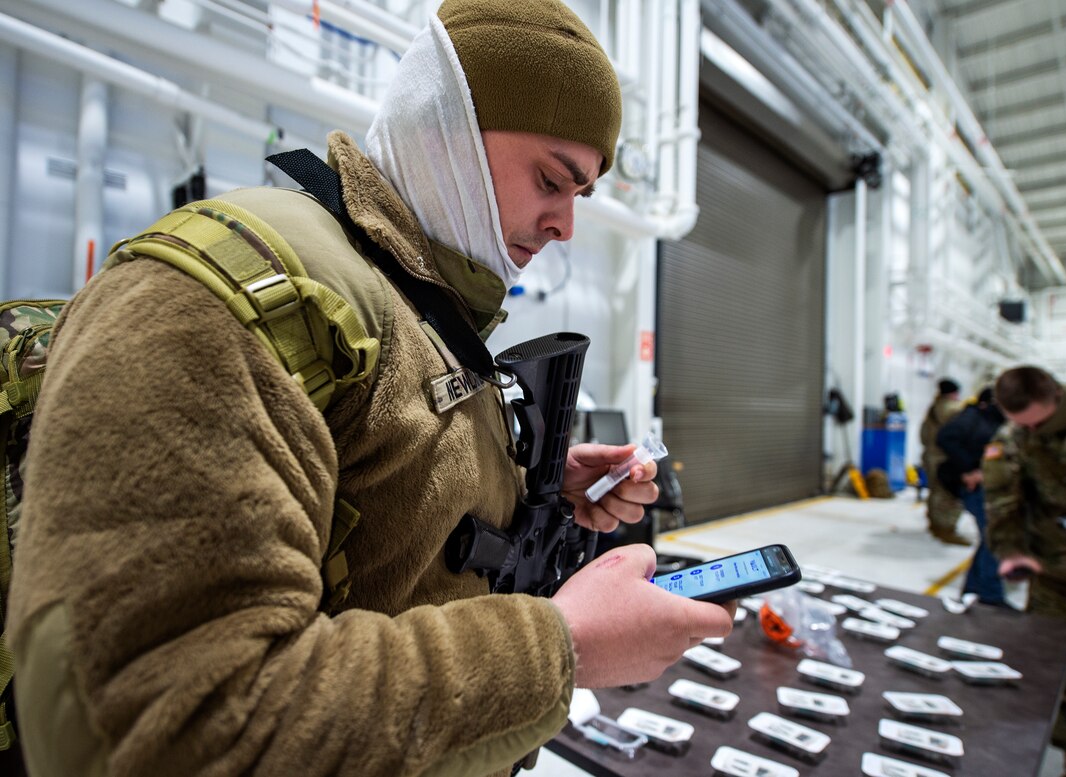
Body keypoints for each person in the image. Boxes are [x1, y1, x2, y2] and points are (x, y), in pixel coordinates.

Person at [6, 2, 735, 776]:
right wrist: (564, 646)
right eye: (553, 179)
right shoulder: (228, 294)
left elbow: (395, 529)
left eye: (580, 195)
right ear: (445, 121)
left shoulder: (414, 304)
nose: (565, 227)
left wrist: (536, 493)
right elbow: (170, 727)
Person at [984, 366, 1066, 775]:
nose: (1034, 432)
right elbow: (1002, 499)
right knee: (1059, 670)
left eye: (1041, 423)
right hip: (1056, 572)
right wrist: (1010, 551)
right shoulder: (1014, 438)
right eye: (1021, 424)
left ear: (1057, 399)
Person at [935, 388, 1007, 607]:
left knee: (990, 537)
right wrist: (968, 469)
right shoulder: (972, 418)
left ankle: (976, 590)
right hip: (974, 485)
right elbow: (945, 438)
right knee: (993, 537)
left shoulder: (996, 422)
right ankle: (989, 594)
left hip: (989, 483)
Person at [919, 378, 970, 545]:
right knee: (947, 494)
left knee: (935, 492)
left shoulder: (933, 408)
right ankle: (946, 529)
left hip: (930, 456)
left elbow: (923, 434)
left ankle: (935, 524)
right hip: (945, 458)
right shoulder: (955, 410)